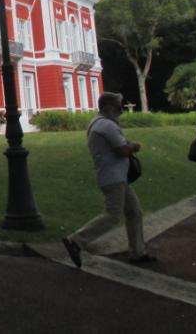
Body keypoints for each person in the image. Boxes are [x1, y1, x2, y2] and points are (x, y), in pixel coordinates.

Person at [62, 92, 156, 268]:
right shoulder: (106, 125)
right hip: (112, 177)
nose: (121, 110)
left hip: (117, 176)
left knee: (134, 212)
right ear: (109, 107)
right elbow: (122, 149)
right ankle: (76, 240)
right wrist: (135, 146)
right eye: (118, 106)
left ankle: (137, 252)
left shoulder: (99, 123)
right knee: (113, 215)